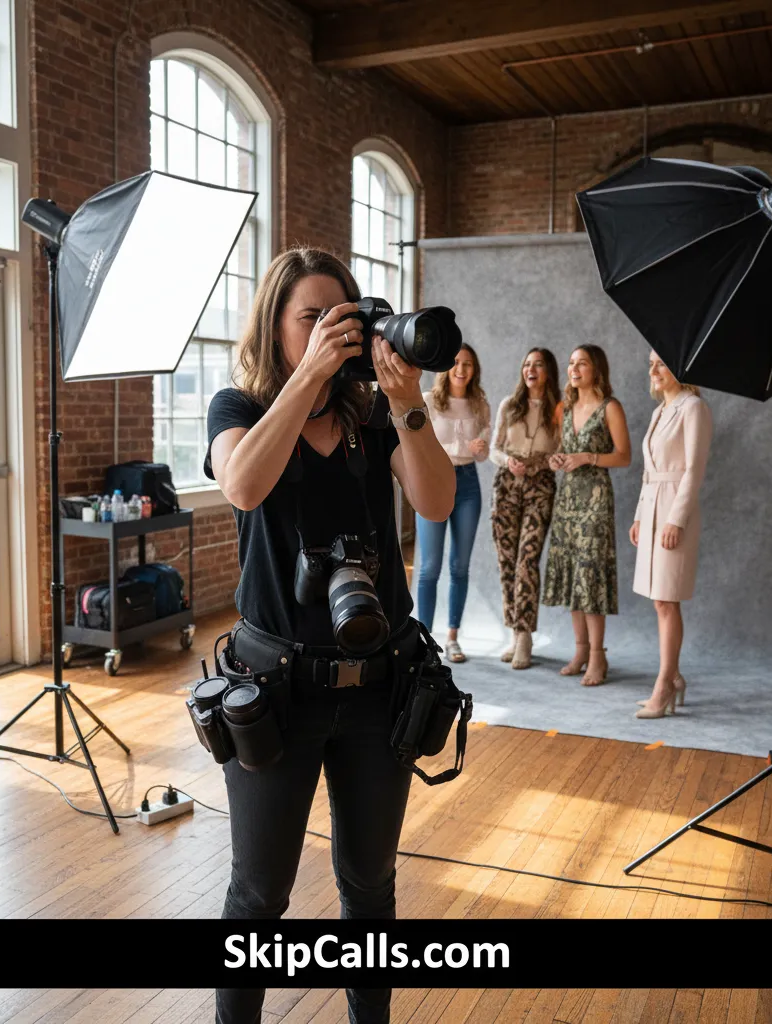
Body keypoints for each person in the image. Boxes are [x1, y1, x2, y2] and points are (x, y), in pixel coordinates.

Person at [204, 247, 455, 1024]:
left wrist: (406, 402)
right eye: (311, 317)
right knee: (259, 893)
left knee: (370, 885)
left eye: (340, 316)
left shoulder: (373, 418)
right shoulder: (237, 407)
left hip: (380, 687)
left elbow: (437, 502)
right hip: (276, 689)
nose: (329, 330)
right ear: (276, 327)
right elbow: (242, 484)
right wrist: (308, 379)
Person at [630, 351, 713, 718]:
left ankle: (664, 685)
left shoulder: (693, 407)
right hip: (651, 508)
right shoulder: (659, 412)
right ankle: (674, 676)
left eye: (661, 362)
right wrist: (638, 516)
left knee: (667, 599)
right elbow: (648, 471)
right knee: (658, 599)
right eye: (650, 363)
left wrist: (676, 520)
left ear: (680, 368)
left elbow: (694, 469)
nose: (653, 369)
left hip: (674, 509)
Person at [542, 345, 631, 686]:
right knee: (572, 573)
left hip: (595, 497)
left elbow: (624, 456)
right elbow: (560, 449)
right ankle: (579, 651)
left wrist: (587, 458)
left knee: (590, 575)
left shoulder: (610, 407)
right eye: (571, 363)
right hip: (567, 499)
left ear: (597, 370)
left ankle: (597, 656)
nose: (574, 368)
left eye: (582, 363)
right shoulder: (563, 407)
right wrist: (557, 460)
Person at [416, 344, 491, 663]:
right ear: (445, 367)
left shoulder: (480, 404)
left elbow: (483, 454)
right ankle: (424, 641)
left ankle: (453, 638)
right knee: (429, 567)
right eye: (456, 362)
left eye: (468, 364)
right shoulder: (429, 401)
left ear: (475, 370)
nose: (461, 369)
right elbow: (420, 446)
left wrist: (480, 449)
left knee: (460, 566)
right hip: (434, 482)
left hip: (468, 484)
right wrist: (459, 447)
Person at [489, 348, 562, 670]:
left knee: (527, 560)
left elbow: (562, 448)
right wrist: (508, 461)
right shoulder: (509, 405)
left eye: (538, 364)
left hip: (540, 486)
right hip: (506, 485)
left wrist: (546, 461)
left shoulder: (559, 409)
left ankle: (525, 635)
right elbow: (494, 449)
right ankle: (514, 631)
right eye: (527, 364)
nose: (531, 369)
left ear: (548, 372)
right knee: (507, 560)